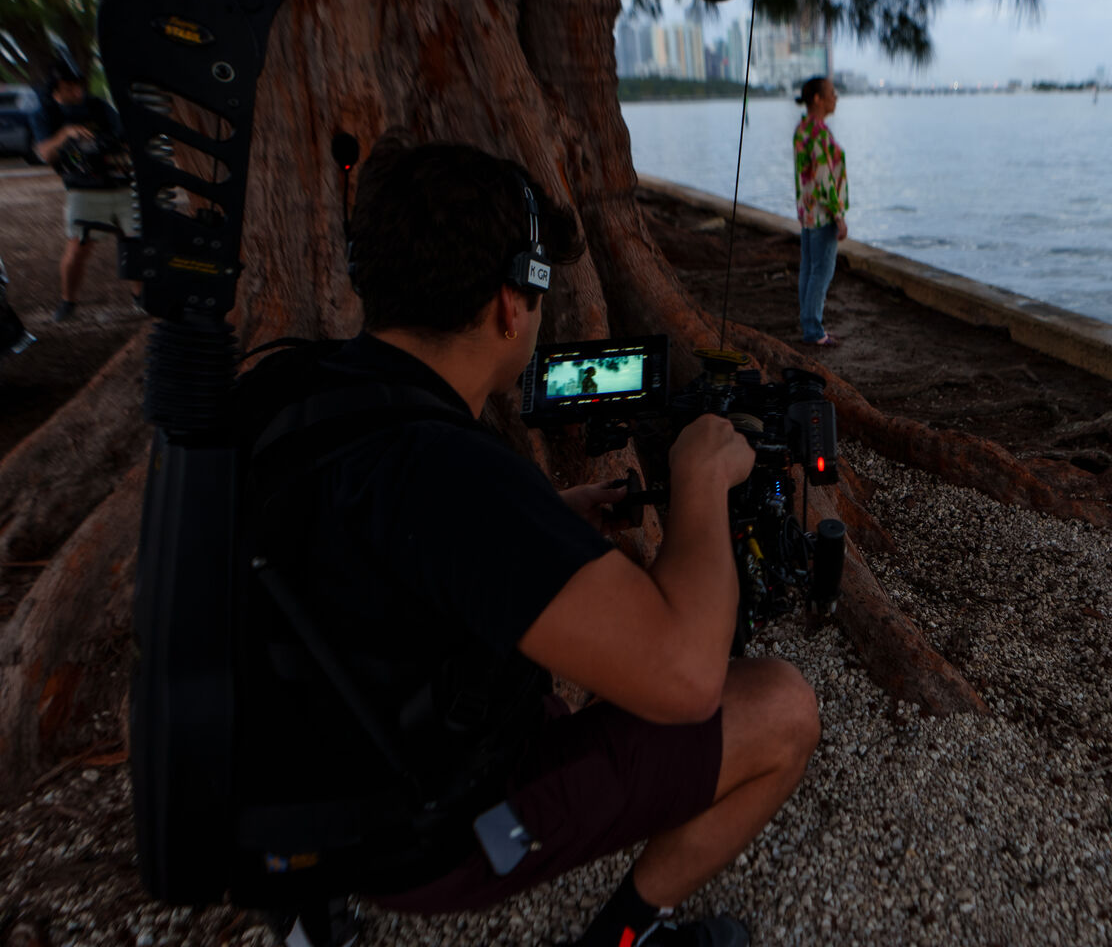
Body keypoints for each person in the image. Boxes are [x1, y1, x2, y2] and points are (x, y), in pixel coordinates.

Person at [238, 139, 818, 947]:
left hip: (283, 796)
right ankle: (622, 937)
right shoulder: (453, 473)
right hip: (423, 838)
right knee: (782, 707)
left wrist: (546, 518)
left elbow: (369, 548)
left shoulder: (286, 390)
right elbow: (687, 682)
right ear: (513, 305)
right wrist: (699, 482)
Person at [29, 58, 136, 322]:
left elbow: (124, 134)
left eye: (79, 85)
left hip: (122, 185)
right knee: (79, 247)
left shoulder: (97, 106)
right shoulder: (45, 113)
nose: (78, 91)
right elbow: (44, 153)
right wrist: (67, 133)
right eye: (70, 86)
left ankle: (140, 298)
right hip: (84, 190)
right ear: (57, 86)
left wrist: (112, 144)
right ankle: (68, 301)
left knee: (136, 243)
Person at [791, 76, 848, 347]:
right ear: (817, 98)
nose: (835, 97)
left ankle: (810, 326)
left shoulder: (802, 129)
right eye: (831, 93)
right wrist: (838, 215)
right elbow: (824, 179)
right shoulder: (818, 132)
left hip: (808, 212)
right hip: (823, 214)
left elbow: (805, 178)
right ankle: (814, 331)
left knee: (809, 270)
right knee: (821, 271)